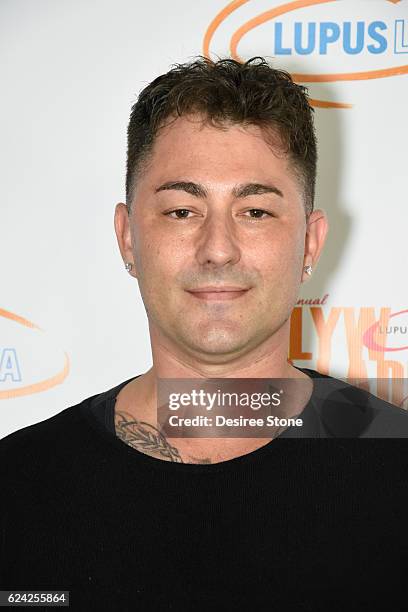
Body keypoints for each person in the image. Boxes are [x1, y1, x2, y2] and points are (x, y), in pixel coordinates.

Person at [1, 56, 407, 610]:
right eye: (182, 211)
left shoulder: (397, 475)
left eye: (256, 211)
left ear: (310, 244)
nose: (218, 248)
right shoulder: (18, 487)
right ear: (127, 238)